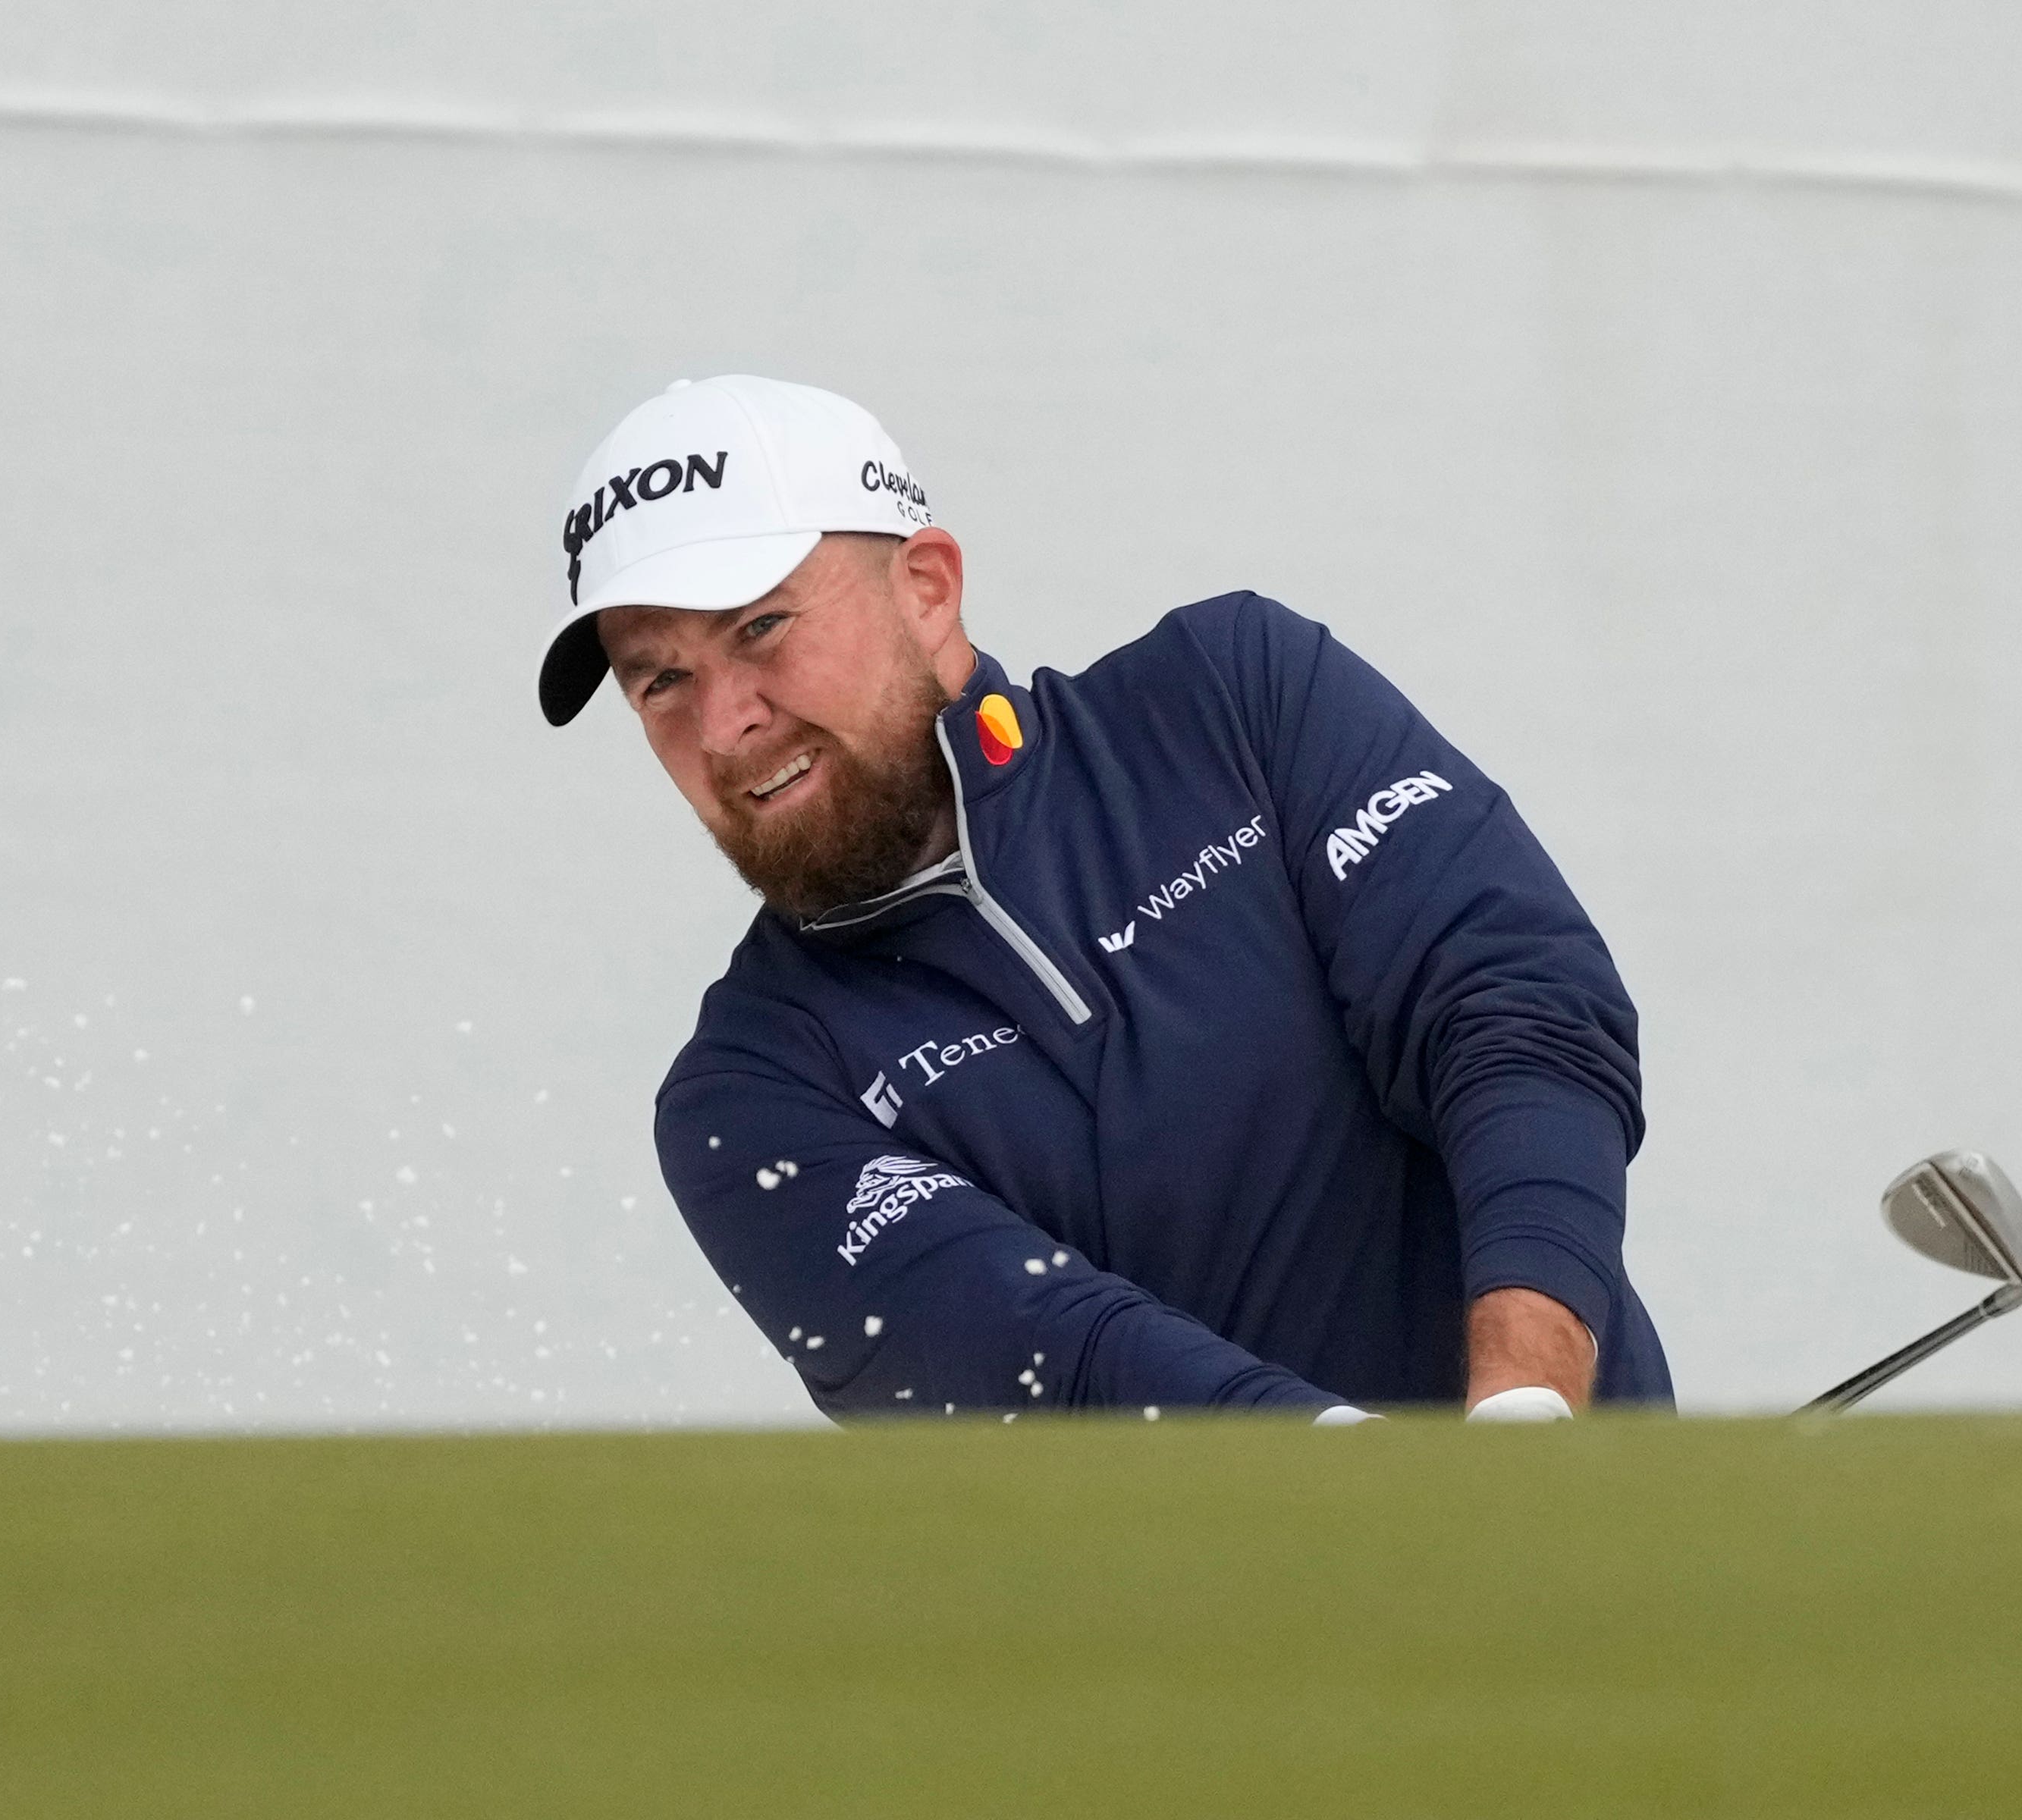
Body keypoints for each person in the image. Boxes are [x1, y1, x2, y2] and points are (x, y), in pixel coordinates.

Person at [538, 375, 1673, 1423]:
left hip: (1601, 1554)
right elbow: (1055, 1359)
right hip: (1219, 1637)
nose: (726, 721)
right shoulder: (747, 1099)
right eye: (662, 679)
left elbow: (1520, 1016)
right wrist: (1387, 1496)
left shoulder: (1235, 702)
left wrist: (1528, 1412)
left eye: (762, 627)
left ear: (927, 591)